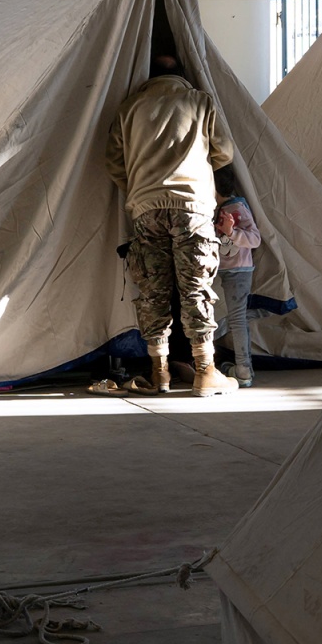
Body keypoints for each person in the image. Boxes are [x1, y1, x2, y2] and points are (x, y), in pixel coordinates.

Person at [95, 53, 237, 395]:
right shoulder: (200, 101)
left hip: (146, 207)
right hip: (192, 206)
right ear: (183, 75)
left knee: (153, 290)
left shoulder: (130, 107)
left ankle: (160, 373)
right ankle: (205, 372)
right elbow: (225, 152)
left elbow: (114, 161)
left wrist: (142, 186)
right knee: (195, 287)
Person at [214, 171, 261, 388]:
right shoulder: (221, 209)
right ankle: (241, 367)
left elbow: (255, 239)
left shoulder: (237, 208)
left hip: (238, 271)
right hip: (222, 269)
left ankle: (243, 370)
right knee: (230, 318)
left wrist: (231, 232)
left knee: (237, 319)